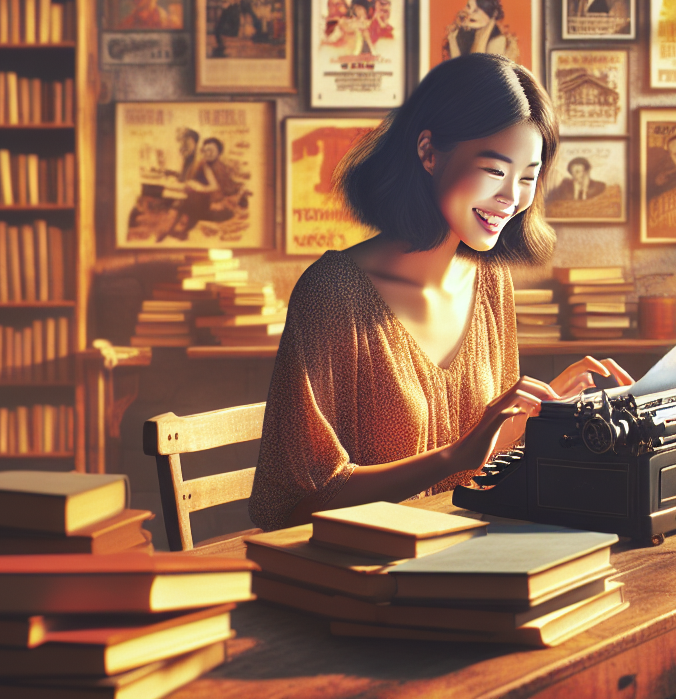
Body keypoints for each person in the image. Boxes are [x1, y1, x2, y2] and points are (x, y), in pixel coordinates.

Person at [248, 54, 635, 528]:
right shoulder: (333, 295)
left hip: (468, 554)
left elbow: (484, 464)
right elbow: (292, 509)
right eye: (495, 170)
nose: (512, 198)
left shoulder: (491, 282)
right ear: (429, 152)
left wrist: (546, 411)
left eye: (528, 178)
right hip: (368, 573)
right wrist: (451, 457)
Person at [443, 0, 519, 62]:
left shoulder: (498, 39)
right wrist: (452, 38)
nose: (469, 13)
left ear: (492, 14)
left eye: (476, 11)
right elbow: (457, 70)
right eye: (468, 6)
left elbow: (478, 73)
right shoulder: (460, 34)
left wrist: (481, 39)